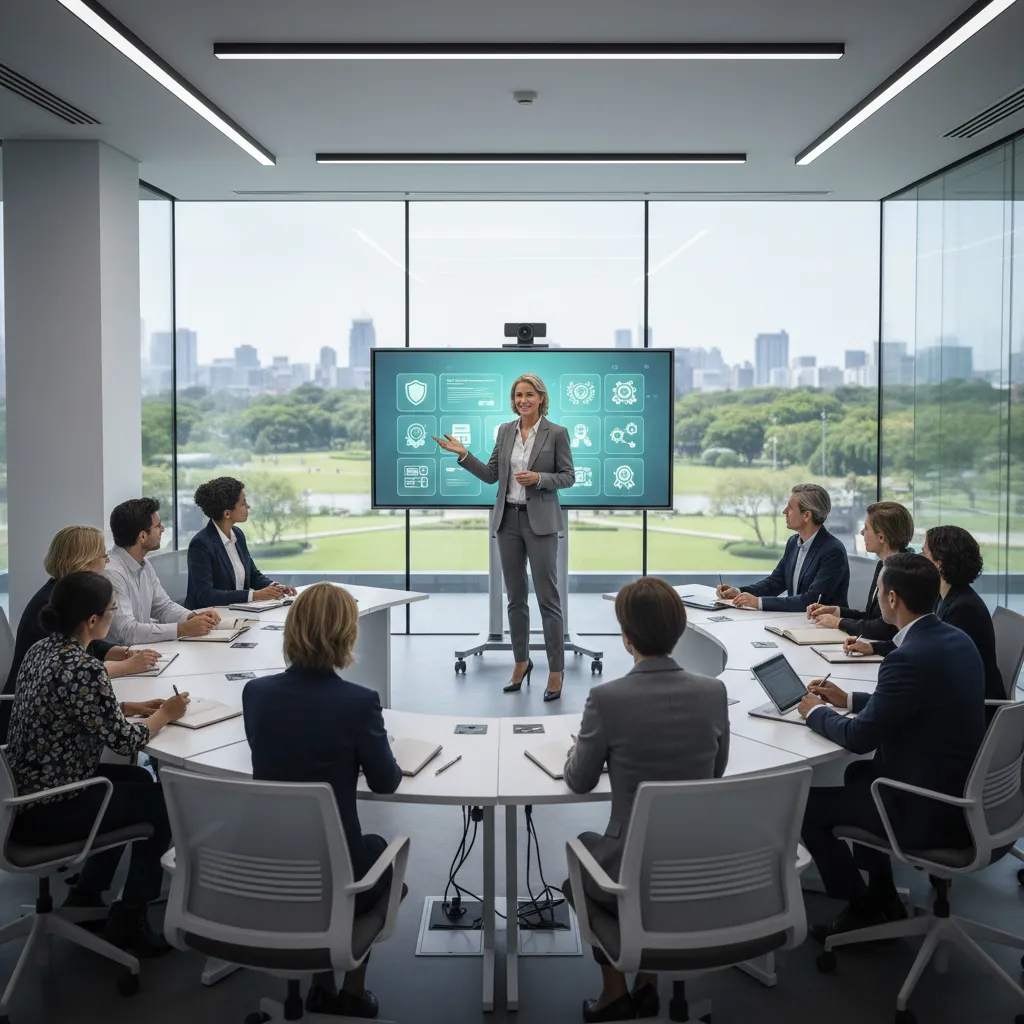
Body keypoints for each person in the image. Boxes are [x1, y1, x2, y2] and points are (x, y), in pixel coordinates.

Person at [560, 577, 730, 1022]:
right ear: (678, 630)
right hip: (699, 867)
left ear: (626, 637)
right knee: (656, 871)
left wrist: (577, 751)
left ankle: (615, 995)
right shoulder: (714, 693)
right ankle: (648, 983)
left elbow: (578, 781)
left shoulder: (607, 699)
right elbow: (716, 773)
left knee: (581, 855)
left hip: (629, 873)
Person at [797, 553, 985, 942]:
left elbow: (858, 738)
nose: (877, 596)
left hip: (926, 807)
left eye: (880, 590)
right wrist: (846, 700)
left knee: (804, 809)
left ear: (893, 598)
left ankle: (862, 904)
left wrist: (814, 712)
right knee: (857, 773)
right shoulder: (956, 639)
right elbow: (917, 703)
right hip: (962, 792)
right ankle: (883, 895)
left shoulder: (907, 658)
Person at [6, 572, 189, 955]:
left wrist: (131, 707)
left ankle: (87, 894)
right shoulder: (84, 668)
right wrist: (165, 715)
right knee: (164, 805)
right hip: (53, 804)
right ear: (92, 621)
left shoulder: (42, 650)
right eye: (111, 610)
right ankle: (130, 917)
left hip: (27, 788)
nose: (113, 616)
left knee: (140, 777)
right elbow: (126, 740)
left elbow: (69, 707)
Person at [243, 583, 402, 1019]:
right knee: (382, 862)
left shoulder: (255, 694)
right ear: (347, 634)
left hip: (267, 865)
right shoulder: (359, 703)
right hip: (336, 873)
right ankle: (350, 991)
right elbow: (386, 783)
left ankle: (319, 981)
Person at [435, 373, 575, 701]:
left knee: (548, 599)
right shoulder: (505, 430)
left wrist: (539, 477)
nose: (522, 400)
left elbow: (569, 477)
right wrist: (464, 454)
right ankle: (521, 662)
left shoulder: (557, 434)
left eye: (528, 394)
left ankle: (556, 671)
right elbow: (491, 475)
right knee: (515, 599)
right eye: (517, 396)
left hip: (540, 524)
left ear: (541, 398)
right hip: (507, 522)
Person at [2, 527, 161, 741]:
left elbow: (82, 647)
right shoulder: (51, 604)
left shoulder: (61, 596)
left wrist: (123, 653)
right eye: (103, 556)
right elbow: (72, 672)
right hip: (48, 739)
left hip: (39, 733)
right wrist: (127, 667)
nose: (107, 562)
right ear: (84, 562)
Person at [105, 497, 221, 645]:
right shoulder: (111, 573)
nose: (163, 529)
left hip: (144, 651)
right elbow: (127, 632)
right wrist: (182, 629)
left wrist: (192, 617)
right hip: (120, 660)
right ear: (142, 536)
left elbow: (163, 607)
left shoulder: (144, 564)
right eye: (158, 526)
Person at [717, 483, 850, 612]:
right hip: (796, 622)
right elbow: (775, 582)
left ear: (807, 515)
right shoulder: (793, 543)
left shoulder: (833, 551)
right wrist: (739, 592)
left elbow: (811, 600)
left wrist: (758, 602)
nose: (784, 511)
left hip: (825, 628)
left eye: (790, 508)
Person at [806, 501, 914, 641]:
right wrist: (838, 612)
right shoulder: (883, 565)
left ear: (881, 537)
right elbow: (872, 618)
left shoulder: (903, 572)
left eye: (866, 528)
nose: (862, 532)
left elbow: (885, 628)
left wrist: (838, 623)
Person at [184, 477, 297, 609]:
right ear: (227, 514)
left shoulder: (237, 534)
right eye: (243, 503)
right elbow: (206, 595)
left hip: (237, 612)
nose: (248, 506)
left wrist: (274, 587)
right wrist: (254, 595)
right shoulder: (201, 544)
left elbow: (253, 575)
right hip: (209, 618)